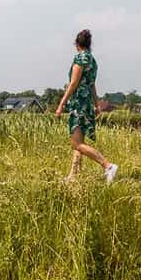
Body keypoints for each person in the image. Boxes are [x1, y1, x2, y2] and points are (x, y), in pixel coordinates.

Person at [56, 29, 118, 183]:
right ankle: (73, 176)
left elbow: (73, 83)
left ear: (77, 44)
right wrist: (97, 105)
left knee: (76, 143)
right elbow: (92, 85)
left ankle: (108, 165)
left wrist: (61, 104)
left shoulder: (79, 58)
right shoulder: (92, 60)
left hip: (78, 103)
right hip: (87, 103)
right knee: (80, 141)